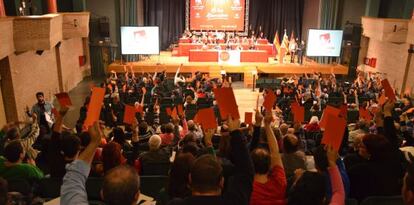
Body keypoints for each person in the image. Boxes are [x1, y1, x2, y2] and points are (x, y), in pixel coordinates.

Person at [168, 117, 254, 205]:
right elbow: (246, 172)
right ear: (222, 182)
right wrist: (235, 132)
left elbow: (246, 172)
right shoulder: (235, 202)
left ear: (190, 179)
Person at [61, 121, 141, 205]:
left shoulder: (94, 170)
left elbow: (73, 177)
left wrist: (94, 142)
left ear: (102, 194)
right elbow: (135, 154)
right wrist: (135, 133)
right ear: (137, 196)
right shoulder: (126, 164)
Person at [250, 111, 287, 205]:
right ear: (270, 165)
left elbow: (275, 154)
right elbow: (275, 153)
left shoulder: (247, 189)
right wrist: (267, 125)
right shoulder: (279, 182)